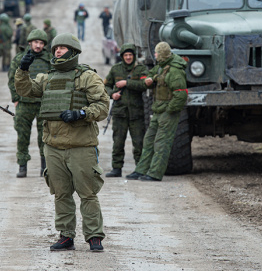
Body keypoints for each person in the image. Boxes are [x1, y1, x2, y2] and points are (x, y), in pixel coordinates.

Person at [14, 33, 109, 252]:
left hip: (81, 146)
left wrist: (81, 113)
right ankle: (66, 235)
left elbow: (103, 106)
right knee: (61, 193)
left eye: (63, 48)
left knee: (87, 193)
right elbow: (26, 90)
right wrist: (23, 70)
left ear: (73, 52)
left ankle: (94, 235)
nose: (58, 51)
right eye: (56, 48)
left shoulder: (86, 77)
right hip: (53, 146)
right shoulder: (47, 77)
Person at [126, 42, 188, 181]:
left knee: (161, 143)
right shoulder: (160, 67)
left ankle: (155, 173)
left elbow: (181, 95)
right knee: (148, 141)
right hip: (158, 110)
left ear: (162, 54)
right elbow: (150, 75)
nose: (154, 55)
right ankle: (141, 170)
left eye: (157, 53)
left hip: (167, 111)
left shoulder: (175, 71)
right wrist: (150, 79)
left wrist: (169, 110)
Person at [8, 29, 52, 178]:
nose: (38, 46)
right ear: (30, 43)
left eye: (41, 43)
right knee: (22, 136)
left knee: (45, 136)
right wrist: (15, 98)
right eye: (36, 42)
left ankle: (44, 167)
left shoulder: (49, 59)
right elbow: (12, 79)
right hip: (24, 103)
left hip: (43, 104)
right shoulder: (20, 58)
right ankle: (22, 166)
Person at [103, 44, 148, 177]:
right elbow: (105, 86)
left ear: (134, 56)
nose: (128, 57)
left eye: (130, 55)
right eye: (126, 55)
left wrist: (127, 83)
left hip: (136, 113)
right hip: (120, 112)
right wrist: (112, 95)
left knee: (139, 143)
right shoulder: (115, 69)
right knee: (118, 142)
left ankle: (140, 169)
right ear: (122, 56)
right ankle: (116, 168)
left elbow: (144, 85)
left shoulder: (140, 69)